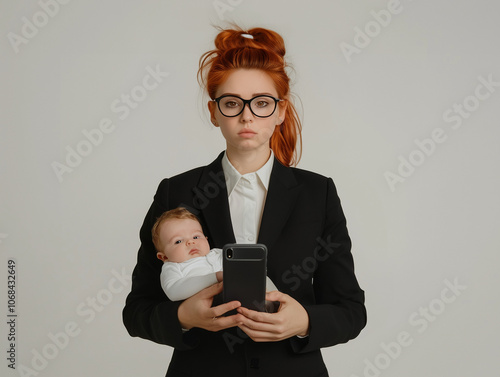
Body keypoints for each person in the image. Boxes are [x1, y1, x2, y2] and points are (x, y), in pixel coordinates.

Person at [123, 25, 366, 376]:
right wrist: (183, 317)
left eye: (262, 103)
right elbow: (137, 311)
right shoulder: (176, 192)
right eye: (232, 103)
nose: (247, 115)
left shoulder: (318, 193)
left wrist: (304, 322)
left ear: (281, 111)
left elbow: (351, 311)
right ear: (214, 111)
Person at [152, 207, 277, 301]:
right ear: (163, 257)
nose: (190, 242)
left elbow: (242, 269)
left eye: (196, 236)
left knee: (260, 276)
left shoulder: (218, 254)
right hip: (212, 307)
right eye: (178, 241)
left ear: (206, 239)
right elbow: (174, 292)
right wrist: (215, 277)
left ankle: (276, 301)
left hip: (243, 295)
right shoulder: (173, 267)